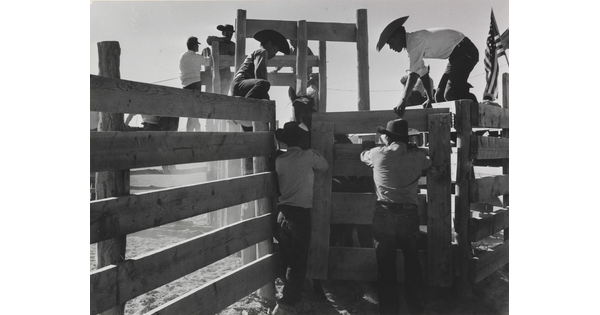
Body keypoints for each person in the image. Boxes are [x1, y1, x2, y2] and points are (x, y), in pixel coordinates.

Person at [360, 119, 432, 315]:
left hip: (384, 212)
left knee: (385, 266)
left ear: (388, 137)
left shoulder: (376, 154)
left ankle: (389, 310)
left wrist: (374, 147)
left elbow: (363, 156)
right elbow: (429, 161)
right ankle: (415, 307)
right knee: (412, 261)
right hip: (409, 213)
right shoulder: (417, 156)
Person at [272, 122, 329, 315]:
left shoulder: (279, 159)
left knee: (287, 256)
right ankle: (287, 302)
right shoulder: (308, 156)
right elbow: (324, 166)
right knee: (298, 260)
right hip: (300, 214)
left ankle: (290, 295)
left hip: (282, 214)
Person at [376, 16, 479, 117]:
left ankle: (478, 112)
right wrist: (430, 98)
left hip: (465, 51)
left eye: (390, 43)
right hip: (456, 56)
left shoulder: (415, 42)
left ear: (398, 37)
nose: (391, 47)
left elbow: (413, 75)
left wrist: (403, 100)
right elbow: (423, 73)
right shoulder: (413, 47)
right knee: (439, 96)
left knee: (451, 93)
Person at [231, 29, 290, 131]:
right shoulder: (262, 52)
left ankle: (248, 127)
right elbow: (260, 74)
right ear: (269, 44)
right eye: (275, 50)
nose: (274, 54)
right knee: (264, 84)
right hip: (240, 84)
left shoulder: (260, 53)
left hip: (244, 89)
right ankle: (242, 110)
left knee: (250, 131)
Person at [179, 36, 203, 131]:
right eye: (197, 45)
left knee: (191, 111)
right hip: (195, 84)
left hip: (185, 86)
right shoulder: (196, 57)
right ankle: (197, 130)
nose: (198, 47)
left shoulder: (183, 56)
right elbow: (208, 62)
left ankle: (190, 132)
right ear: (194, 46)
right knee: (194, 111)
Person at [206, 24, 236, 94]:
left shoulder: (232, 44)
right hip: (216, 70)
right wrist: (222, 39)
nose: (229, 35)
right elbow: (209, 40)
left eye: (231, 33)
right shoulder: (217, 41)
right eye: (228, 33)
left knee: (224, 91)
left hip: (226, 71)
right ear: (223, 33)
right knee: (215, 91)